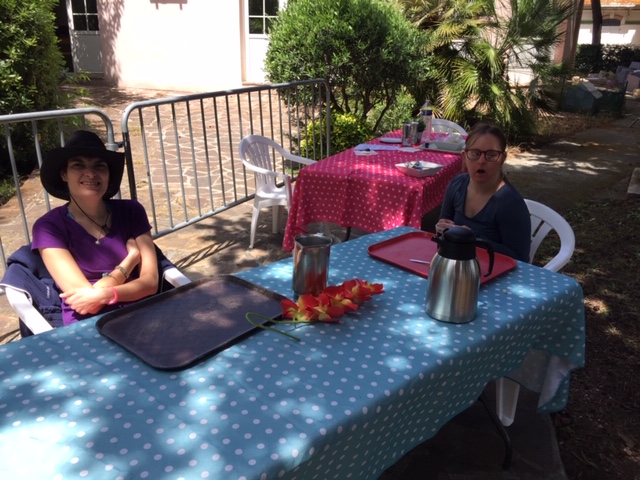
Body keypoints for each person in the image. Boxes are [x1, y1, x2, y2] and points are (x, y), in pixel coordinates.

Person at [31, 130, 159, 325]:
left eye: (99, 166)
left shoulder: (132, 211)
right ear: (64, 174)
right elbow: (88, 304)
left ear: (108, 176)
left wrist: (105, 294)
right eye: (78, 165)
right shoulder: (48, 228)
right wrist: (131, 260)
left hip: (143, 314)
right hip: (89, 323)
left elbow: (151, 283)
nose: (90, 173)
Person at [436, 123, 531, 262]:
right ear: (464, 156)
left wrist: (473, 239)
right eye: (474, 154)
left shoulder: (510, 203)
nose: (481, 161)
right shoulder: (457, 185)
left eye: (491, 155)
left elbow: (520, 259)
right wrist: (441, 229)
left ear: (502, 159)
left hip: (494, 272)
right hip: (457, 265)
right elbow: (443, 233)